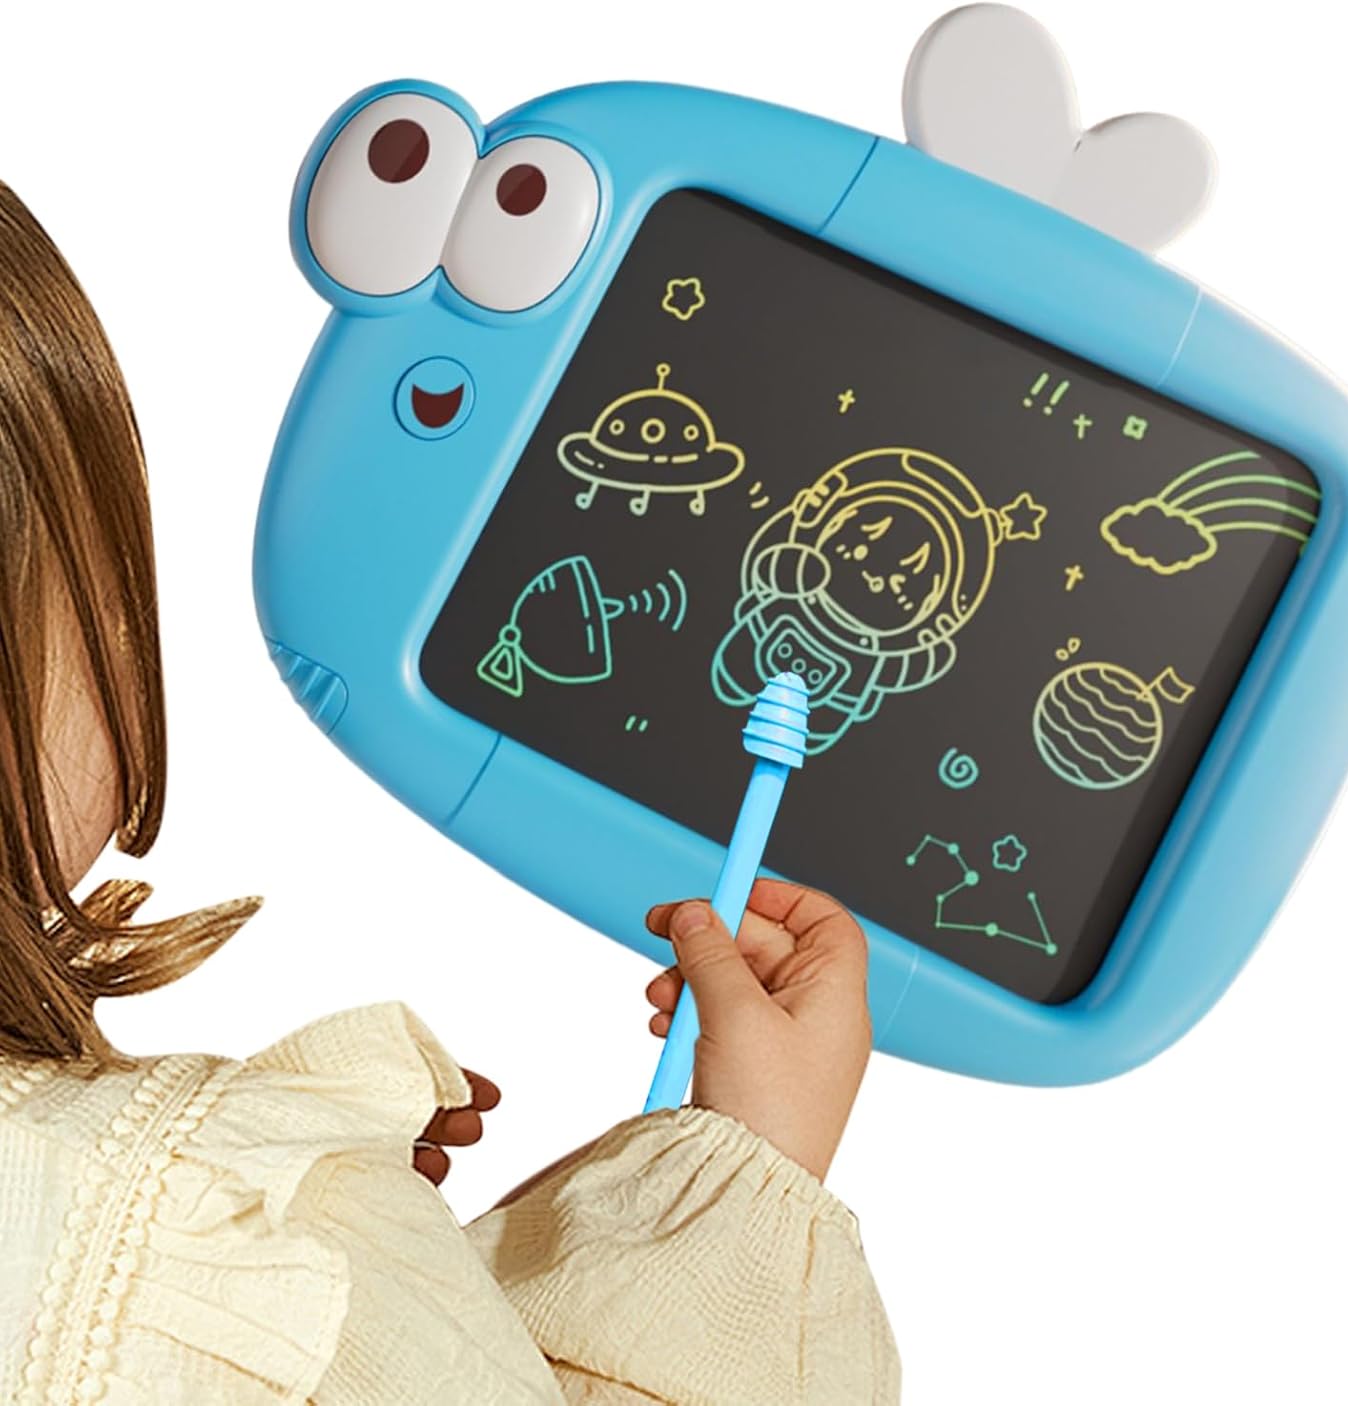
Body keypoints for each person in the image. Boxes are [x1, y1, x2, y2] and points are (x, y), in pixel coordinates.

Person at [0, 180, 898, 1404]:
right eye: (101, 584)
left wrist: (409, 1292)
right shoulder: (185, 1234)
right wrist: (750, 1166)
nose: (131, 628)